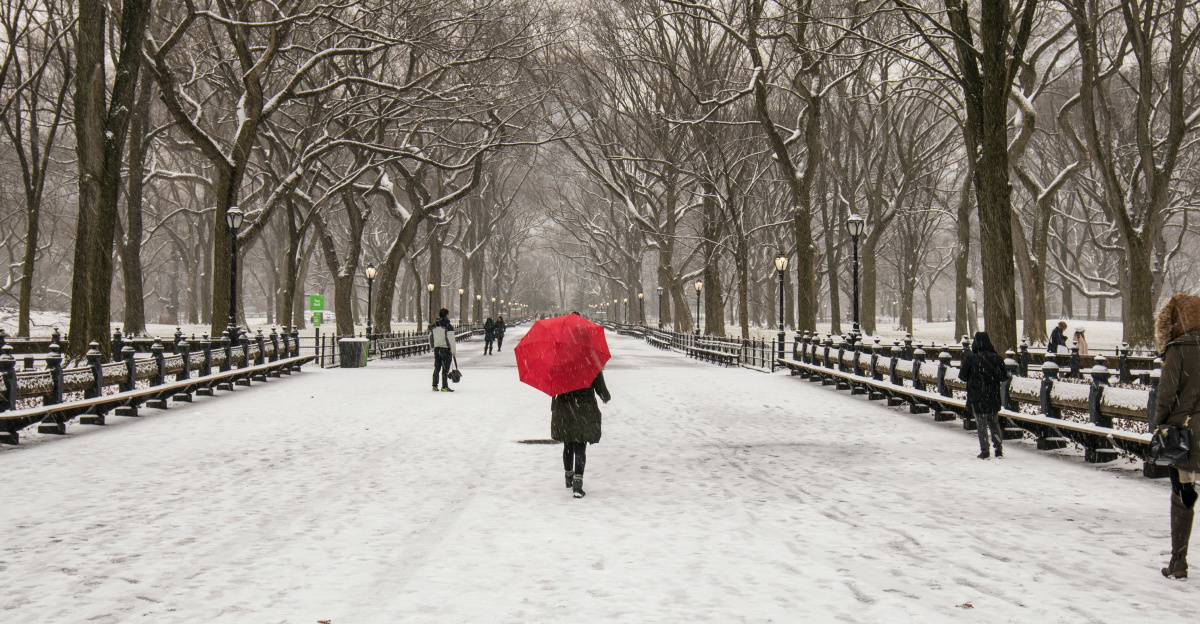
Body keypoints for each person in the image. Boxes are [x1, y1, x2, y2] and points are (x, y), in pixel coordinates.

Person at [1154, 294, 1200, 579]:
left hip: (1185, 435)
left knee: (1182, 493)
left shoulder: (1178, 349)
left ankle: (1178, 562)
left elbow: (1166, 396)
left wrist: (1159, 425)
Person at [552, 370, 610, 498]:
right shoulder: (590, 362)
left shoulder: (560, 364)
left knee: (568, 443)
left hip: (565, 407)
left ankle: (568, 478)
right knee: (580, 445)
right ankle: (577, 484)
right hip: (584, 409)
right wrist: (605, 396)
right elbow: (600, 386)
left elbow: (552, 384)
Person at [958, 331, 1009, 459]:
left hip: (977, 397)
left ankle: (985, 450)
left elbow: (962, 377)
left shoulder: (971, 358)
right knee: (994, 423)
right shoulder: (997, 358)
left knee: (981, 425)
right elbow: (1003, 377)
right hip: (993, 396)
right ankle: (998, 449)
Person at [429, 308, 456, 392]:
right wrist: (453, 351)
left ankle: (434, 385)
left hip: (437, 349)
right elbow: (451, 339)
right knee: (445, 369)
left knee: (437, 367)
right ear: (446, 315)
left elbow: (430, 337)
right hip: (445, 349)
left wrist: (433, 347)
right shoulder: (448, 326)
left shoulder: (434, 326)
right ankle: (444, 386)